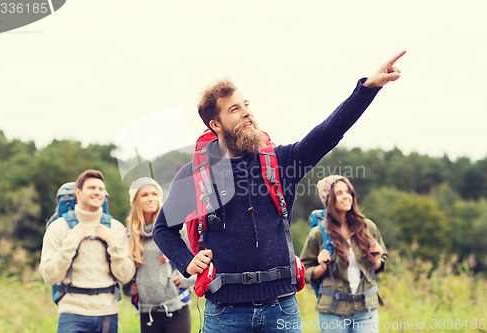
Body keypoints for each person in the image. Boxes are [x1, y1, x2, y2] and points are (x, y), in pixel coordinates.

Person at [153, 50, 405, 333]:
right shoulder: (195, 176)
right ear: (215, 124)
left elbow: (328, 133)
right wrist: (187, 263)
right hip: (224, 312)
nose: (247, 111)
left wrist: (367, 89)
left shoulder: (281, 162)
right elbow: (162, 229)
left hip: (281, 308)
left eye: (246, 104)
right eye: (234, 109)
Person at [39, 169, 136, 333]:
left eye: (101, 189)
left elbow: (126, 275)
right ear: (78, 192)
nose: (97, 192)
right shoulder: (59, 227)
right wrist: (71, 242)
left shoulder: (115, 228)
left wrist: (112, 242)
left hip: (108, 313)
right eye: (92, 188)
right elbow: (49, 275)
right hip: (72, 313)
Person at [300, 175, 388, 333]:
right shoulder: (318, 234)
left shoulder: (368, 227)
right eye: (339, 193)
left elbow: (380, 264)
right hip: (332, 311)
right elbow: (303, 272)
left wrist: (377, 259)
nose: (346, 196)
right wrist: (321, 267)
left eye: (348, 192)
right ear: (328, 199)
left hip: (366, 308)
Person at [123, 177, 195, 333]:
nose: (151, 198)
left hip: (177, 307)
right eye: (145, 195)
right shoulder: (129, 234)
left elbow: (195, 255)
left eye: (155, 194)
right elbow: (123, 266)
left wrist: (186, 278)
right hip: (147, 311)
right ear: (135, 201)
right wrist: (128, 286)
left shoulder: (172, 228)